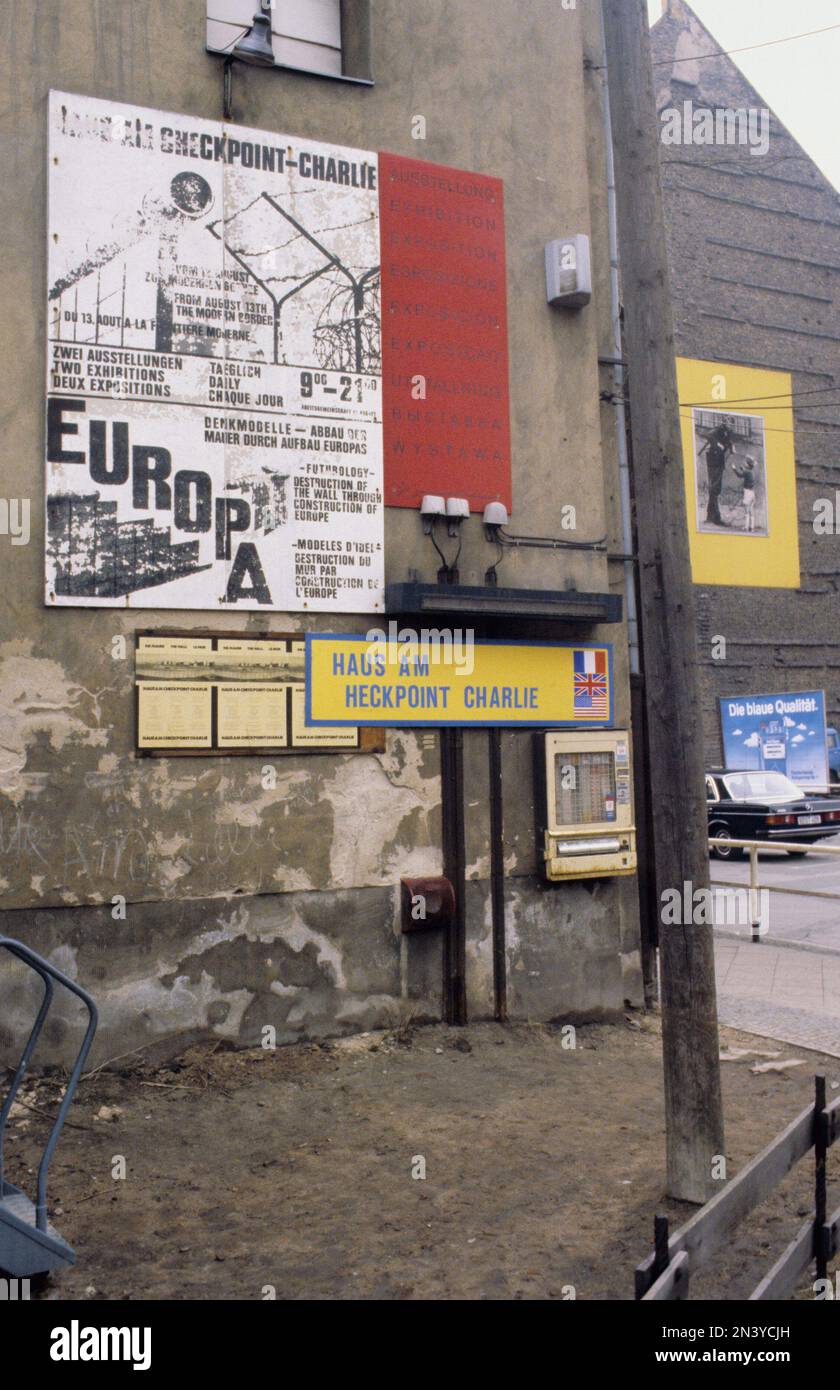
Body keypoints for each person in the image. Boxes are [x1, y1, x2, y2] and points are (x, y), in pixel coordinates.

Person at [697, 418, 735, 526]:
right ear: (725, 423)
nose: (731, 426)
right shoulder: (718, 429)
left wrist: (731, 446)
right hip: (713, 461)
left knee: (715, 489)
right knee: (715, 488)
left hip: (719, 461)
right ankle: (716, 518)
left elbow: (727, 440)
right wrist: (719, 445)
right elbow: (709, 435)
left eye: (733, 424)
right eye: (730, 424)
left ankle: (710, 516)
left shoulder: (727, 432)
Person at [732, 455, 757, 532]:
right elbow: (745, 473)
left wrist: (734, 469)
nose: (744, 463)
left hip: (747, 492)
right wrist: (742, 469)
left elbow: (739, 475)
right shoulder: (751, 472)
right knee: (751, 509)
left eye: (745, 462)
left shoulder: (747, 472)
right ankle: (751, 527)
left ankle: (746, 527)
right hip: (752, 492)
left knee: (746, 510)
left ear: (747, 465)